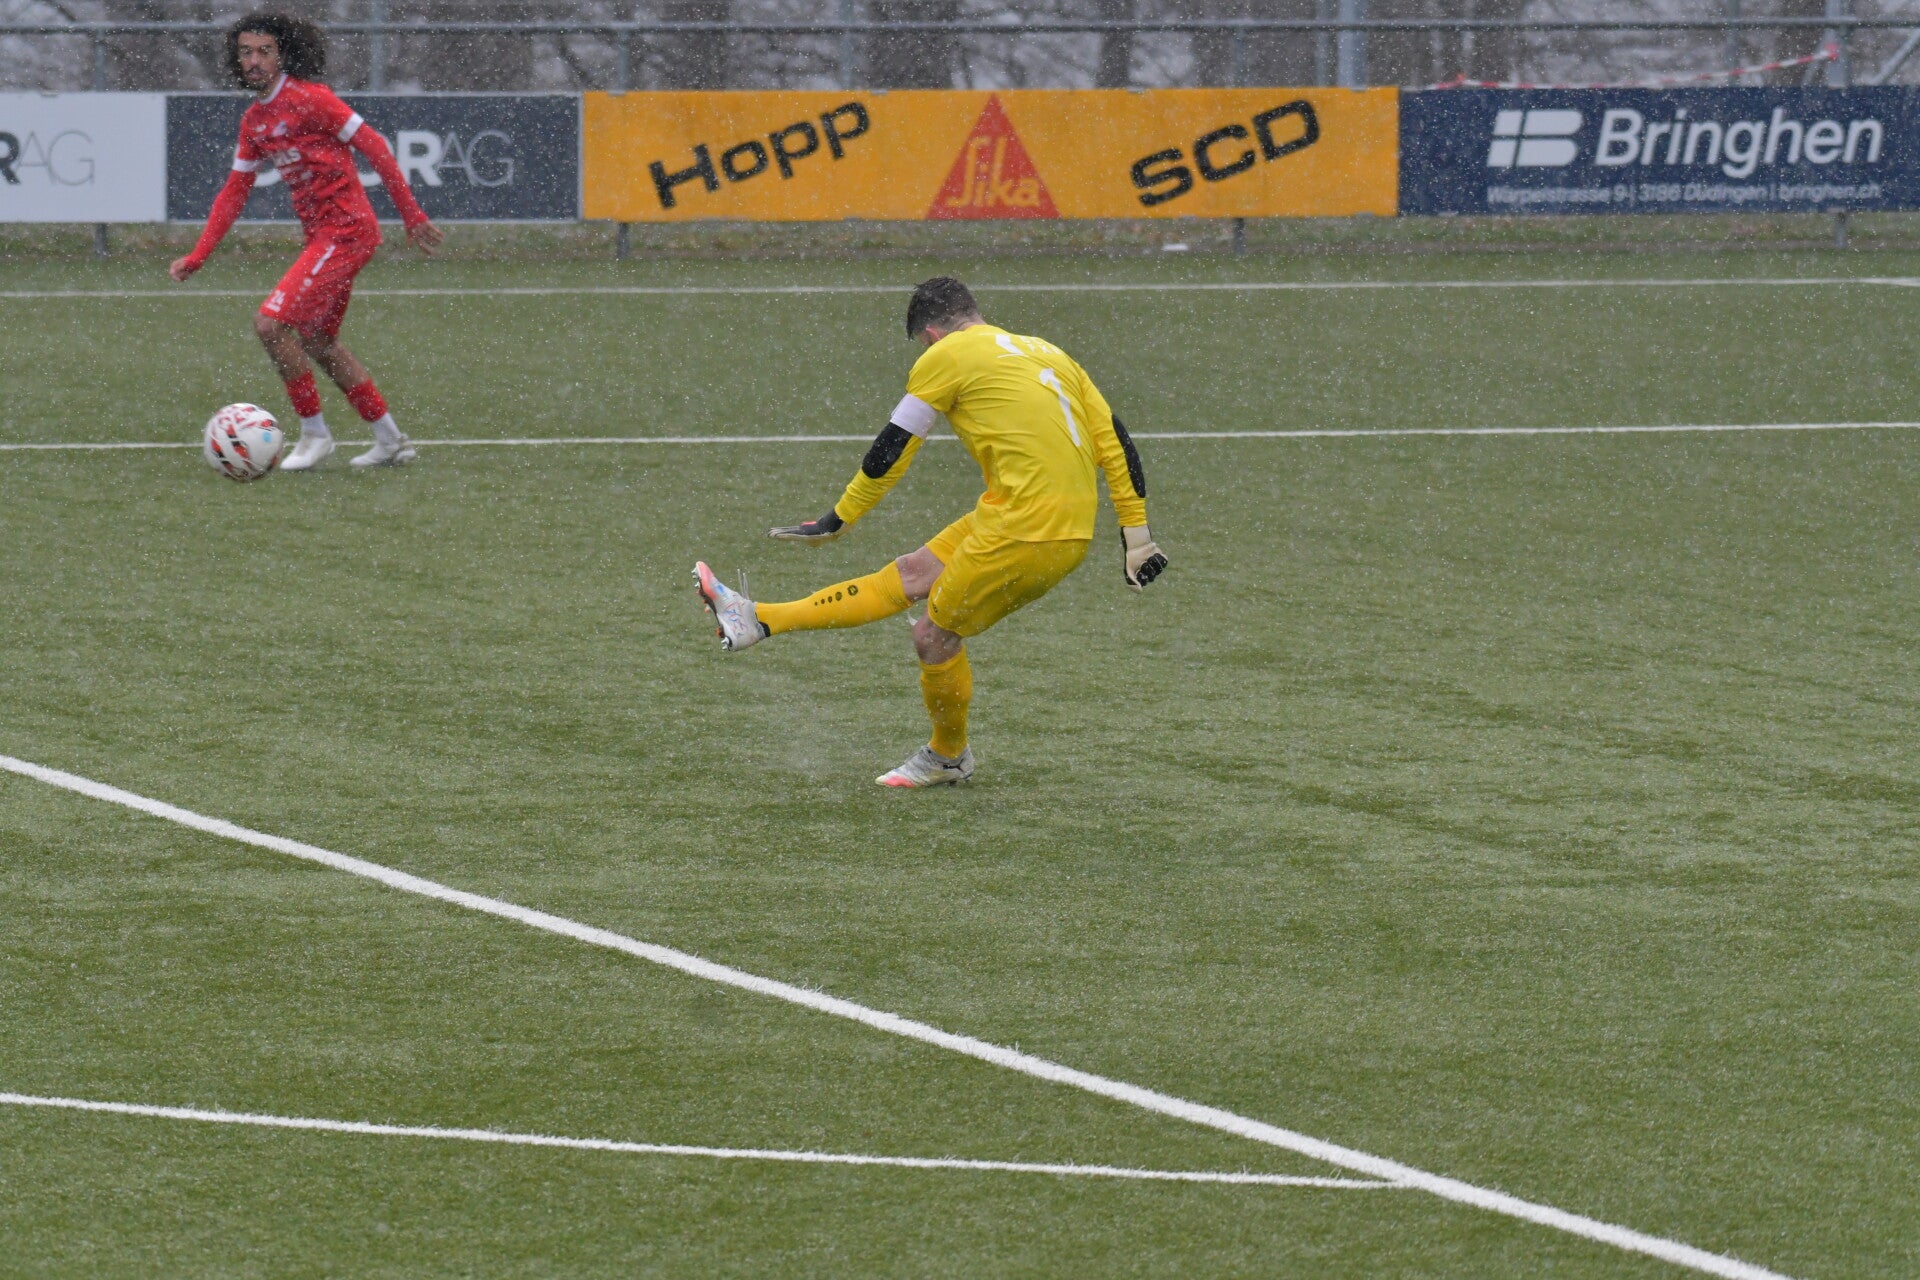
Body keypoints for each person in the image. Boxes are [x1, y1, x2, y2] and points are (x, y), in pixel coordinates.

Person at [694, 277, 1169, 788]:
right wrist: (1137, 536)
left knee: (932, 637)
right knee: (912, 573)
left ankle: (947, 756)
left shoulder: (947, 355)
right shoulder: (1051, 353)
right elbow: (1116, 443)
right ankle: (756, 619)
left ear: (933, 335)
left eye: (923, 345)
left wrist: (840, 517)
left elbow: (894, 445)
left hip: (1027, 530)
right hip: (1039, 517)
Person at [169, 12, 444, 471]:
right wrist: (199, 255)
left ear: (283, 55)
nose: (254, 61)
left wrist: (411, 215)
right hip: (324, 237)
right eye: (246, 52)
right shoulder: (254, 120)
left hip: (346, 233)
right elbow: (234, 191)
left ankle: (315, 434)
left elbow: (375, 146)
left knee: (270, 325)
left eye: (265, 51)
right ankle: (391, 440)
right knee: (318, 341)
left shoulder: (311, 99)